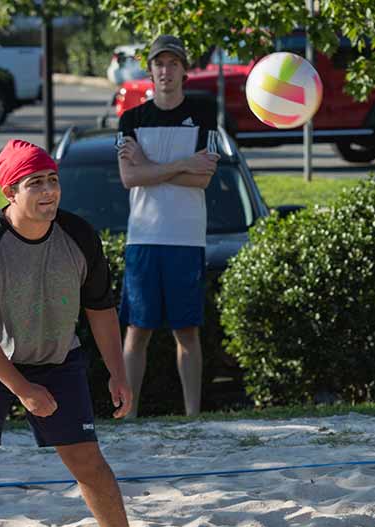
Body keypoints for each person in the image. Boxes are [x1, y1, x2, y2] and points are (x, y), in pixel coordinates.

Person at [0, 140, 149, 527]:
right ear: (10, 193)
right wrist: (22, 389)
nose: (49, 191)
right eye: (35, 183)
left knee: (87, 461)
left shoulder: (79, 235)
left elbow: (101, 309)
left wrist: (118, 372)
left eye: (53, 180)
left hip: (57, 359)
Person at [117, 34, 220, 417]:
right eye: (159, 64)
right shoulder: (131, 119)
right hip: (142, 238)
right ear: (150, 70)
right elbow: (129, 178)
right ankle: (129, 415)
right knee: (137, 332)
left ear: (184, 70)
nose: (166, 70)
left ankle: (193, 415)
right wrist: (179, 164)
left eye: (173, 63)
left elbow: (203, 178)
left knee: (186, 332)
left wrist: (150, 167)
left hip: (187, 237)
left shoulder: (204, 115)